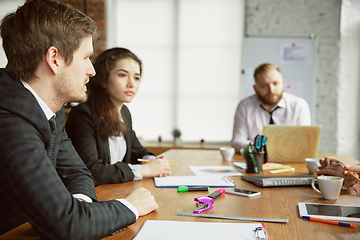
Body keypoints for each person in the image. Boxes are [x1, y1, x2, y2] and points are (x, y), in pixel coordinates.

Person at [0, 1, 158, 239]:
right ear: (54, 59)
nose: (92, 71)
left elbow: (78, 173)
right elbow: (70, 225)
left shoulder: (49, 110)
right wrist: (132, 207)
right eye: (86, 57)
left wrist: (80, 205)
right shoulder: (9, 120)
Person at [65, 47, 171, 185]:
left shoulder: (124, 112)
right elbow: (91, 170)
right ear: (103, 79)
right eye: (122, 75)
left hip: (118, 190)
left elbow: (137, 152)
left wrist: (153, 161)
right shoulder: (83, 115)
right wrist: (144, 171)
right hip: (93, 196)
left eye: (137, 77)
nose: (131, 84)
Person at [231, 63, 311, 152]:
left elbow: (305, 142)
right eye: (264, 85)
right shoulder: (245, 106)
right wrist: (255, 147)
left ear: (283, 83)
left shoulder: (298, 105)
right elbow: (237, 141)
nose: (271, 90)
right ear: (255, 88)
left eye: (275, 83)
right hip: (257, 158)